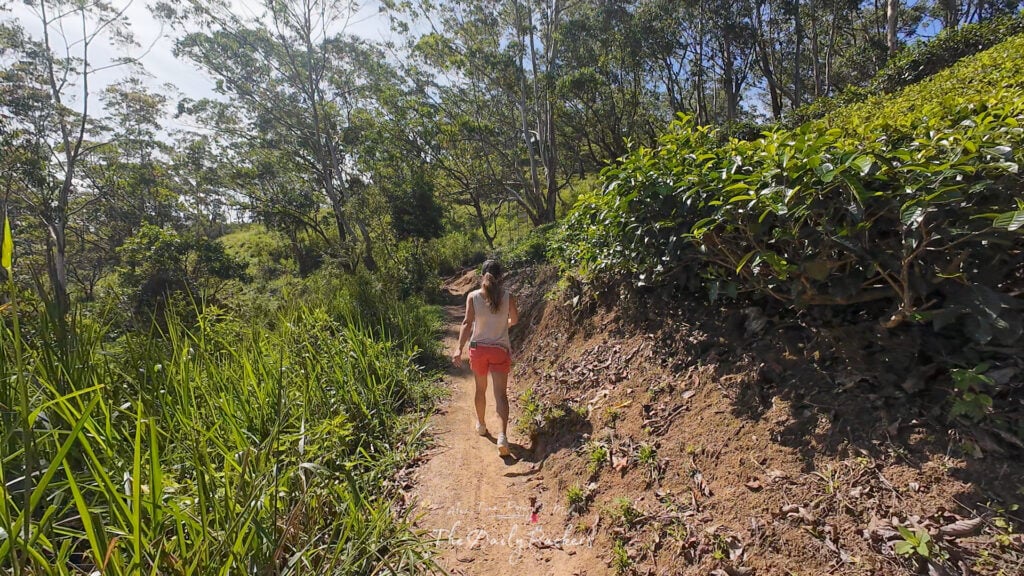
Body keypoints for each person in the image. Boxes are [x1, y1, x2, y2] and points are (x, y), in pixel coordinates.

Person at [451, 259, 519, 456]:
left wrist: (458, 349)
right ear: (501, 277)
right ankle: (502, 437)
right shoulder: (508, 296)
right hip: (499, 350)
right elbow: (514, 320)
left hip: (478, 350)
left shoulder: (473, 297)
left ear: (482, 276)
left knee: (480, 389)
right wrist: (503, 323)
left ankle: (481, 425)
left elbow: (467, 323)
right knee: (500, 395)